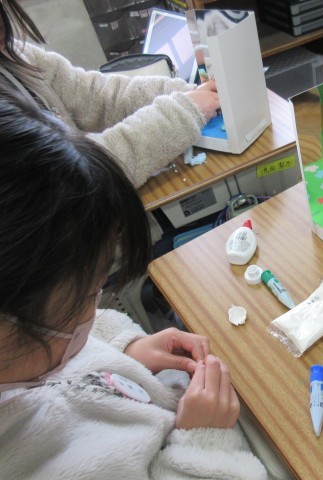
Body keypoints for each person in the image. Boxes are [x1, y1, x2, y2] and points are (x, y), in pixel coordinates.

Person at [0, 85, 267, 479]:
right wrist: (204, 442)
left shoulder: (23, 357)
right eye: (89, 296)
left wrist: (125, 348)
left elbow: (64, 353)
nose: (95, 310)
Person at [0, 0, 219, 189]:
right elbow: (78, 175)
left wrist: (187, 93)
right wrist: (182, 113)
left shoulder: (16, 55)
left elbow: (98, 96)